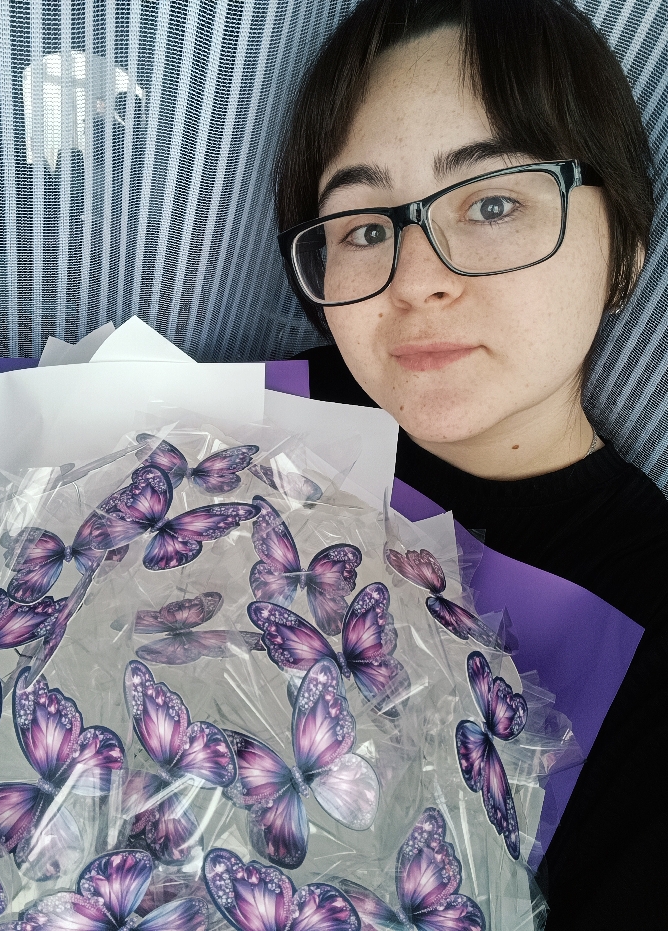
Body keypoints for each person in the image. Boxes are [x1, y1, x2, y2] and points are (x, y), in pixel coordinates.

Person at [273, 1, 668, 928]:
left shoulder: (650, 624)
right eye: (364, 227)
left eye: (493, 203)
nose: (417, 281)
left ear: (625, 252)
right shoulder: (263, 420)